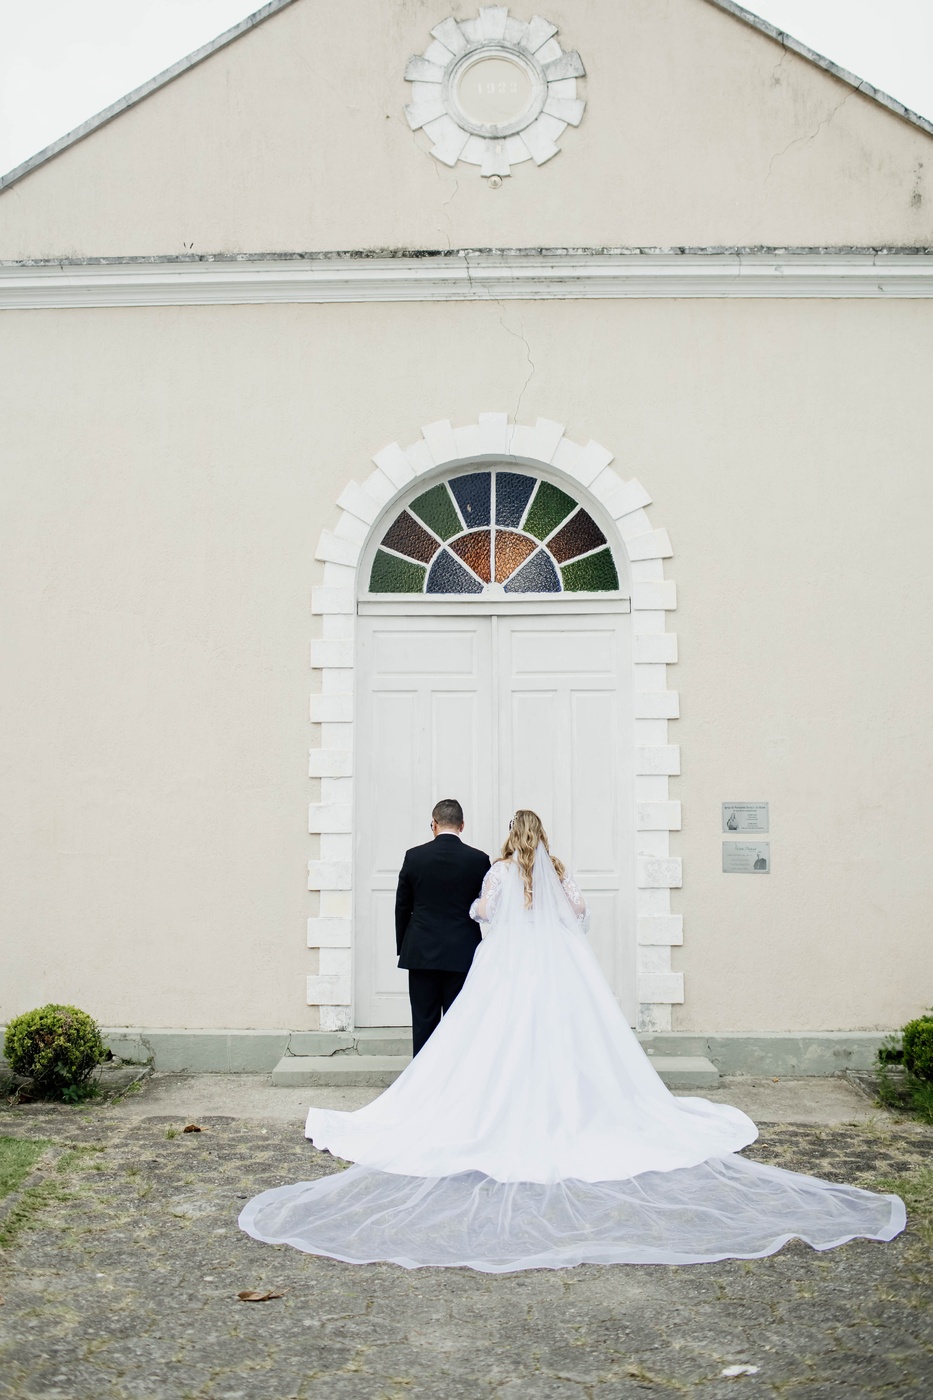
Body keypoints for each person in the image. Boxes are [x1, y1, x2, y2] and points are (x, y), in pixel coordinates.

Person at [240, 810, 904, 1272]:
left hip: (505, 971)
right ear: (544, 837)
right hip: (554, 971)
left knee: (488, 1043)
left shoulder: (497, 872)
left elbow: (483, 913)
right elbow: (579, 914)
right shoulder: (558, 869)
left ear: (510, 837)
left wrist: (480, 909)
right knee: (562, 1040)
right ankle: (565, 1107)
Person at [395, 798, 490, 1057]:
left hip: (421, 951)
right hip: (462, 952)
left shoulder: (414, 857)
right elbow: (485, 905)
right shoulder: (478, 860)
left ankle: (422, 1076)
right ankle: (454, 1075)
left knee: (423, 1022)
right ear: (462, 825)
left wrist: (404, 946)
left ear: (434, 824)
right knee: (459, 1022)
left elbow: (402, 906)